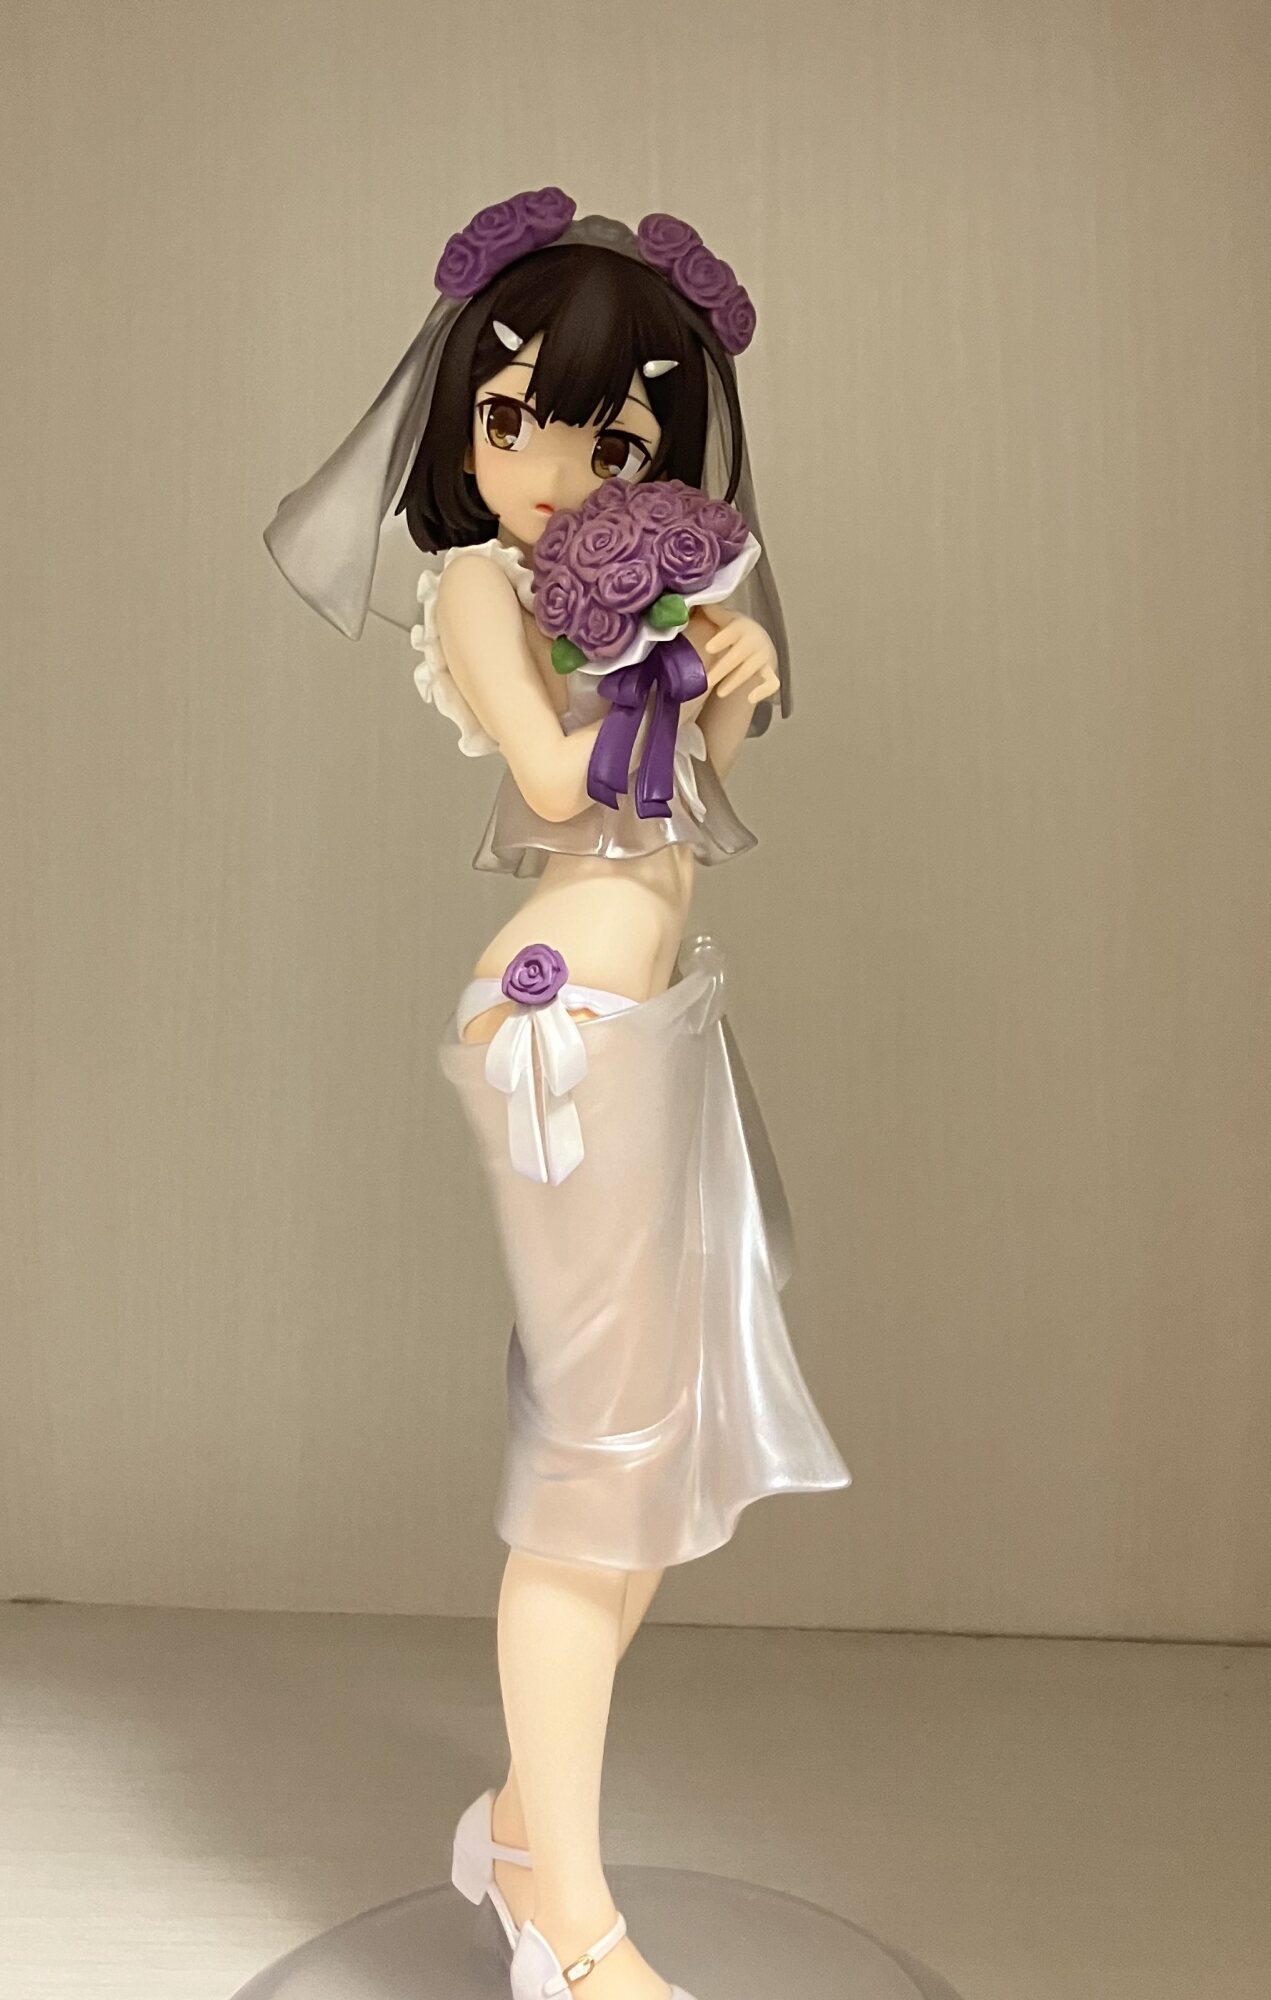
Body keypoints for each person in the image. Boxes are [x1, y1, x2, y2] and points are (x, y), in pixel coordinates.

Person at [263, 191, 851, 2000]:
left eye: (611, 443)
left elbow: (687, 808)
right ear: (461, 425)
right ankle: (569, 1925)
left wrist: (728, 672)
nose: (551, 471)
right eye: (511, 419)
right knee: (591, 1476)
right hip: (561, 1025)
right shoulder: (476, 584)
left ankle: (527, 1823)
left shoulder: (632, 595)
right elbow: (552, 774)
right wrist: (656, 653)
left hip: (652, 1018)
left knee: (648, 1461)